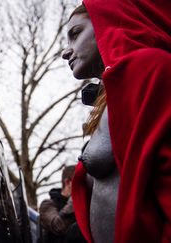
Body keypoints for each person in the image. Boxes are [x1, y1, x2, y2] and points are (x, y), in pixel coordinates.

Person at [62, 1, 171, 242]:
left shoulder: (151, 69)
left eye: (76, 34)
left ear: (108, 21)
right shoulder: (110, 99)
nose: (65, 52)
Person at [39, 165, 86, 243]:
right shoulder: (47, 204)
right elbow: (58, 226)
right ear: (67, 182)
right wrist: (76, 198)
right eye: (79, 182)